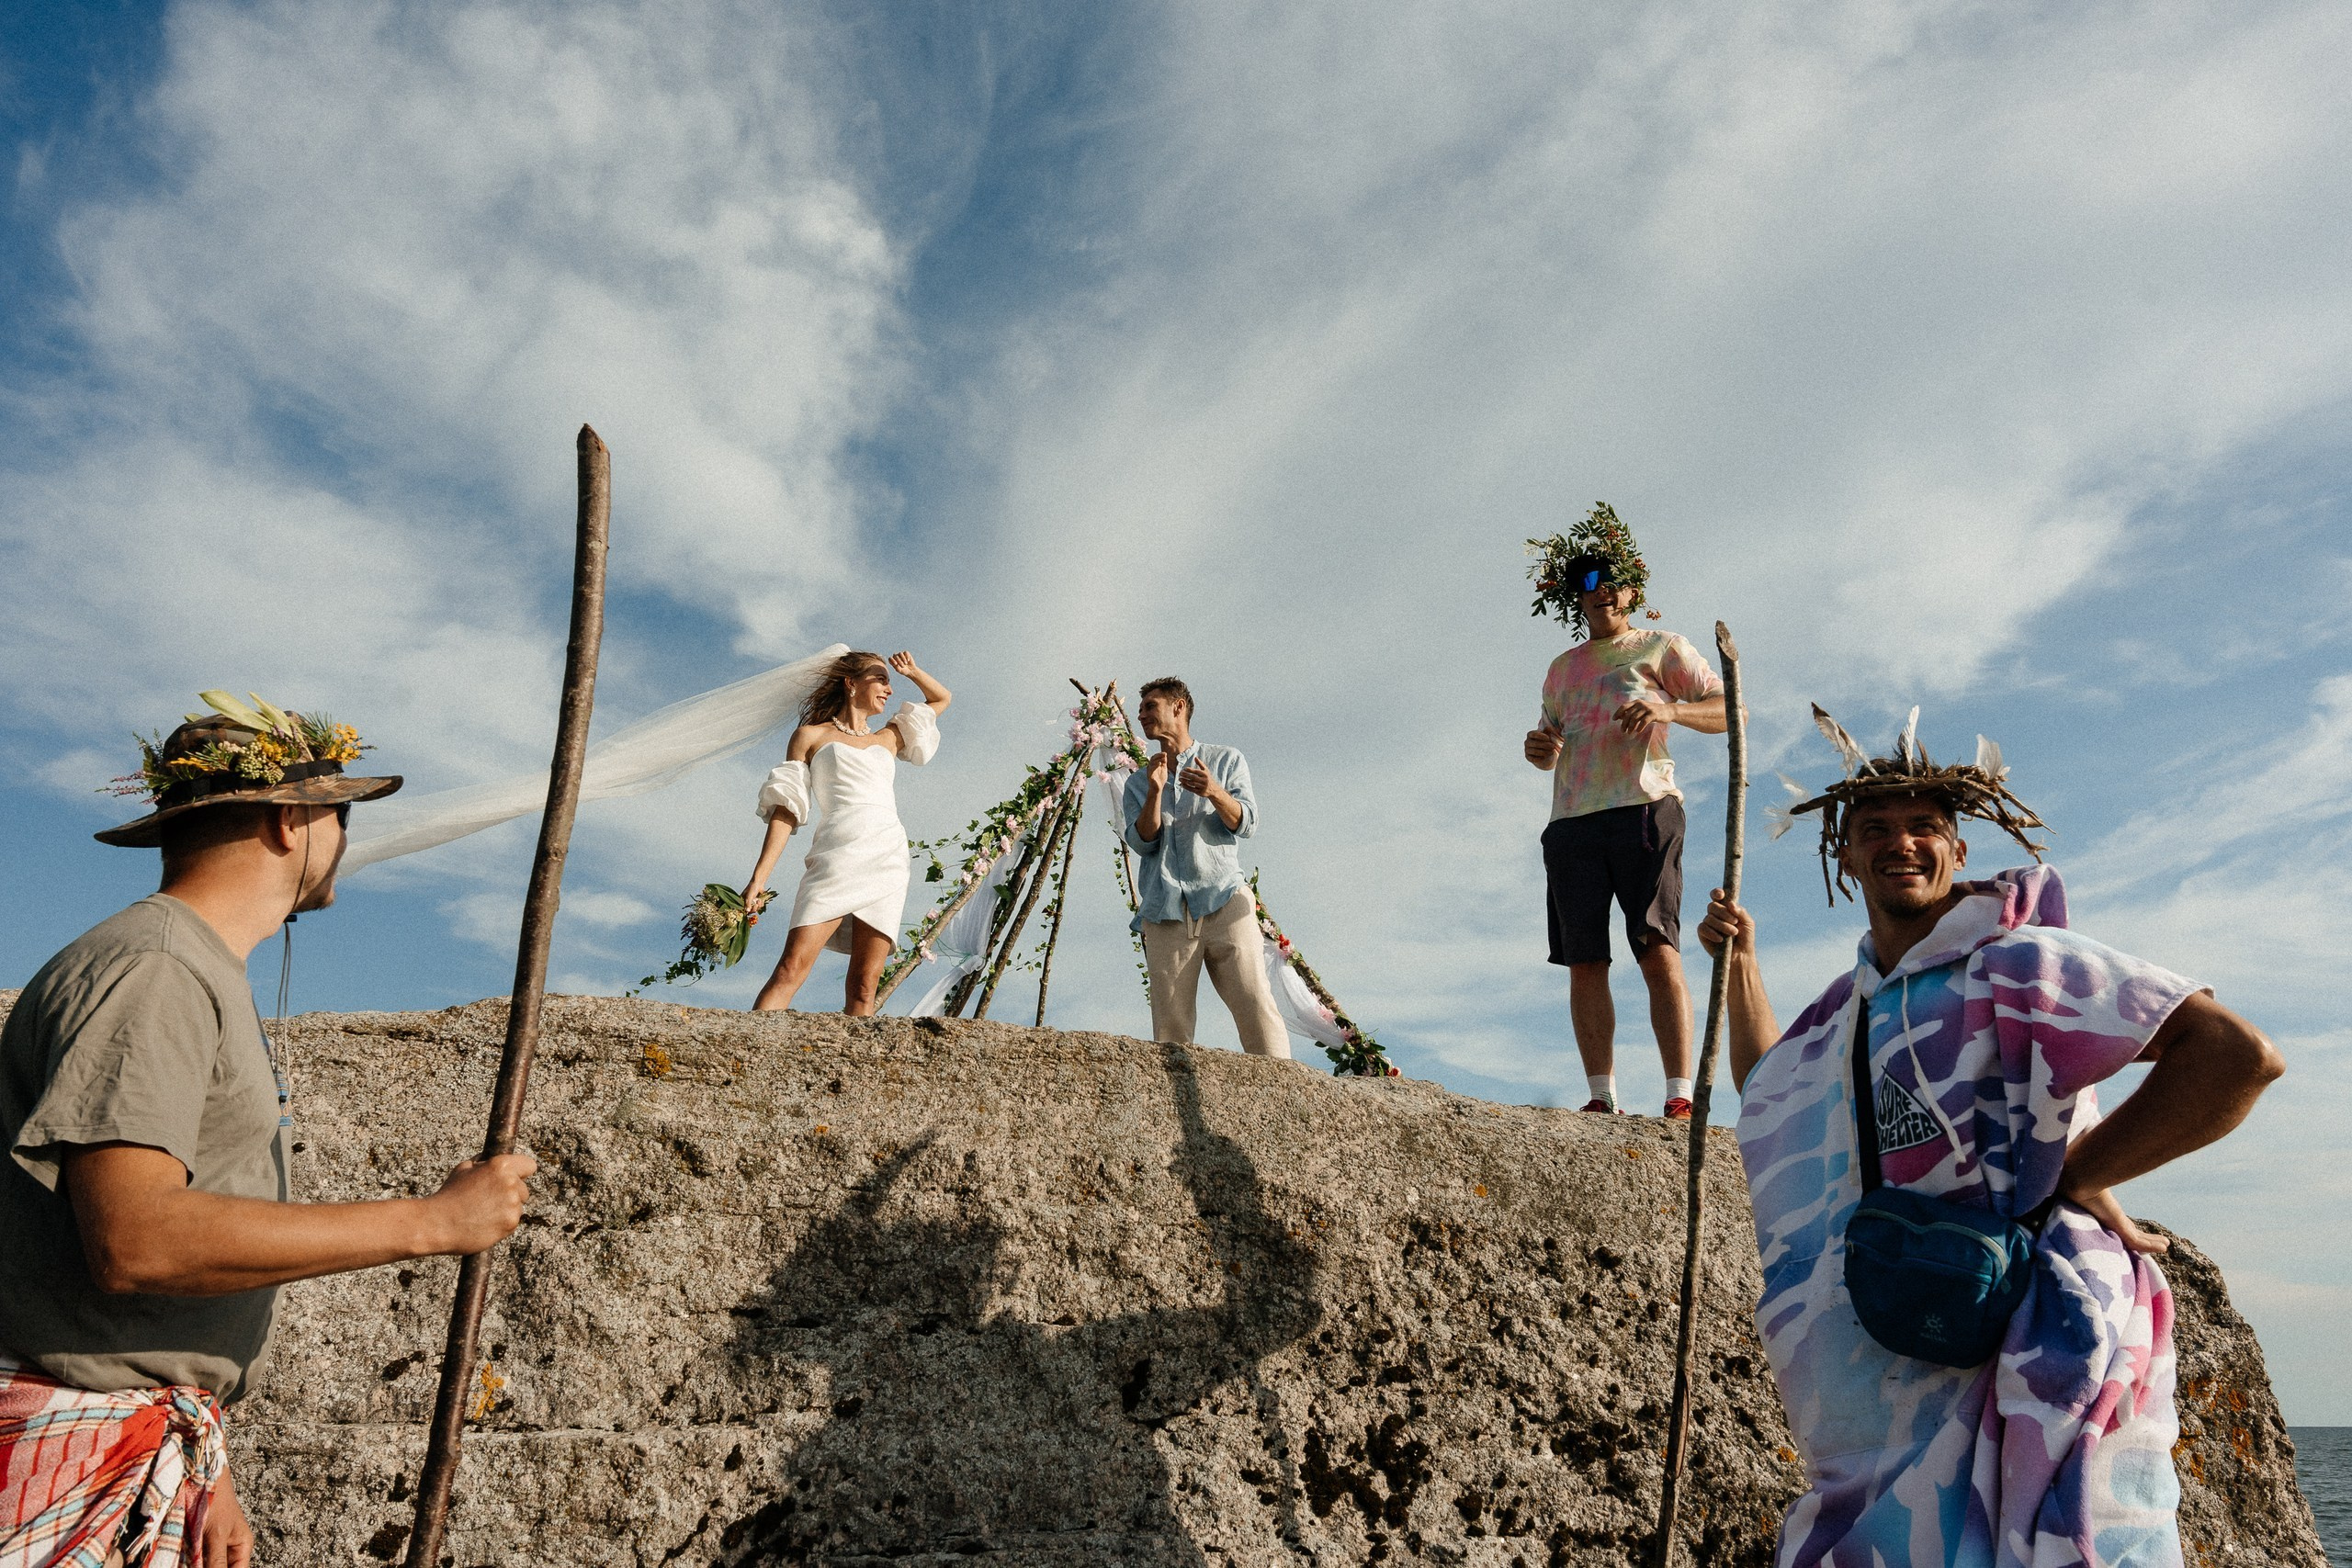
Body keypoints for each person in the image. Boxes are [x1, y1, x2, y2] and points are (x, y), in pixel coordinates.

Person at [1700, 709, 2282, 1567]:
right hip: (1890, 1366)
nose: (1902, 843)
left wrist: (2083, 1174)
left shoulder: (2017, 963)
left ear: (1959, 850)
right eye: (1876, 830)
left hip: (2031, 1341)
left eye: (1924, 826)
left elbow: (2235, 1055)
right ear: (1846, 856)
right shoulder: (1846, 1010)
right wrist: (1742, 963)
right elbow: (1773, 1093)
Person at [1, 694, 536, 1568]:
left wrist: (206, 1458)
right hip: (72, 1448)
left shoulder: (185, 963)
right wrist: (430, 1222)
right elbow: (134, 1237)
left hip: (131, 1437)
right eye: (340, 812)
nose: (346, 838)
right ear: (291, 820)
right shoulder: (159, 969)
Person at [1521, 505, 1724, 1115]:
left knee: (1657, 945)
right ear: (1574, 597)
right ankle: (1601, 1095)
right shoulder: (1562, 669)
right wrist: (1539, 749)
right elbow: (1548, 741)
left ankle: (1678, 1095)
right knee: (1585, 958)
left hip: (1644, 808)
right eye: (1588, 580)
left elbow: (1730, 710)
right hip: (1573, 821)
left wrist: (1670, 710)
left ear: (1633, 589)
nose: (1601, 590)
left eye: (1613, 579)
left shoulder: (1664, 648)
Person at [744, 650, 950, 1015]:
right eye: (881, 679)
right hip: (837, 853)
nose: (889, 688)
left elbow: (940, 699)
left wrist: (913, 671)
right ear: (851, 683)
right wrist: (759, 877)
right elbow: (785, 810)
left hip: (886, 855)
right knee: (791, 968)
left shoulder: (889, 737)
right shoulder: (809, 736)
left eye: (890, 680)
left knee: (865, 987)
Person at [1120, 678, 1289, 1059]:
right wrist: (1154, 791)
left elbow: (1246, 823)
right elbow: (1142, 841)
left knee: (1256, 1005)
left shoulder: (1226, 760)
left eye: (1150, 706)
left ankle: (1286, 1099)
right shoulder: (1137, 781)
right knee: (1170, 1025)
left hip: (1224, 900)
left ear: (1178, 707)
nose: (1141, 714)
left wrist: (1214, 791)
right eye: (1141, 708)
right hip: (1165, 912)